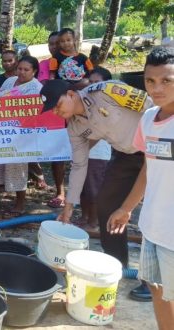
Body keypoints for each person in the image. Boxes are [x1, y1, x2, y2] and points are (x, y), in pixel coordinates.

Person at [40, 77, 154, 301]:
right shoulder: (74, 127)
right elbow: (80, 165)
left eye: (57, 104)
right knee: (107, 205)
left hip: (157, 147)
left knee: (154, 212)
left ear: (71, 95)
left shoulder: (107, 91)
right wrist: (69, 206)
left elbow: (153, 106)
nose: (55, 111)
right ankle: (115, 264)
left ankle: (153, 280)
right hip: (127, 155)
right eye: (51, 108)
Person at [108, 46, 174, 329]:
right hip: (152, 227)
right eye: (150, 81)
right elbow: (149, 166)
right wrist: (126, 208)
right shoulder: (149, 119)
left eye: (167, 80)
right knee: (157, 291)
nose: (157, 88)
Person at [0, 56, 43, 217]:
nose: (22, 72)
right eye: (20, 69)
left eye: (26, 70)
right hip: (1, 129)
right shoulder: (10, 81)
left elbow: (31, 111)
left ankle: (20, 203)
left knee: (17, 166)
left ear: (34, 71)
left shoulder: (35, 88)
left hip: (21, 133)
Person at [73, 67, 113, 231]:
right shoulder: (87, 101)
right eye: (91, 82)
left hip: (97, 154)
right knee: (82, 189)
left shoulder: (108, 104)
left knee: (93, 189)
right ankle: (84, 217)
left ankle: (93, 222)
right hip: (83, 151)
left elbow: (99, 133)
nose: (93, 85)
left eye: (98, 82)